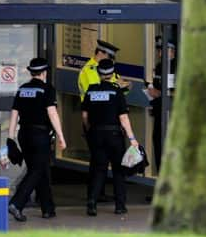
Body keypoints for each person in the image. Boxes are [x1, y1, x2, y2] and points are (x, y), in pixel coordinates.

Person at [7, 58, 67, 222]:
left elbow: (14, 114)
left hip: (24, 135)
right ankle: (17, 203)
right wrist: (61, 135)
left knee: (40, 170)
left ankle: (48, 209)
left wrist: (10, 138)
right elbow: (52, 113)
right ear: (44, 73)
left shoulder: (22, 89)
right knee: (37, 170)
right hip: (39, 135)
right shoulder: (47, 89)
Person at [82, 58, 138, 216]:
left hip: (96, 134)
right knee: (118, 170)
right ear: (112, 73)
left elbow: (85, 116)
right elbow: (123, 118)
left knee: (99, 169)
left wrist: (89, 131)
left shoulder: (91, 90)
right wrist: (132, 138)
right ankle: (120, 206)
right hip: (114, 135)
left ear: (99, 73)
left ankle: (92, 203)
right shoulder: (116, 91)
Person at [78, 39, 130, 203]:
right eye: (110, 56)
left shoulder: (107, 68)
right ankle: (93, 196)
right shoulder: (88, 70)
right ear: (100, 53)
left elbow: (116, 90)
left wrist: (124, 87)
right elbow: (93, 93)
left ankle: (97, 195)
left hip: (110, 121)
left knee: (103, 162)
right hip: (96, 121)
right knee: (97, 163)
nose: (112, 61)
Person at [147, 36, 176, 172]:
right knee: (158, 145)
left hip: (172, 115)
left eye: (162, 50)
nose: (159, 54)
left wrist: (158, 93)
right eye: (158, 50)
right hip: (159, 112)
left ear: (172, 51)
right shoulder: (159, 67)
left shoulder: (176, 67)